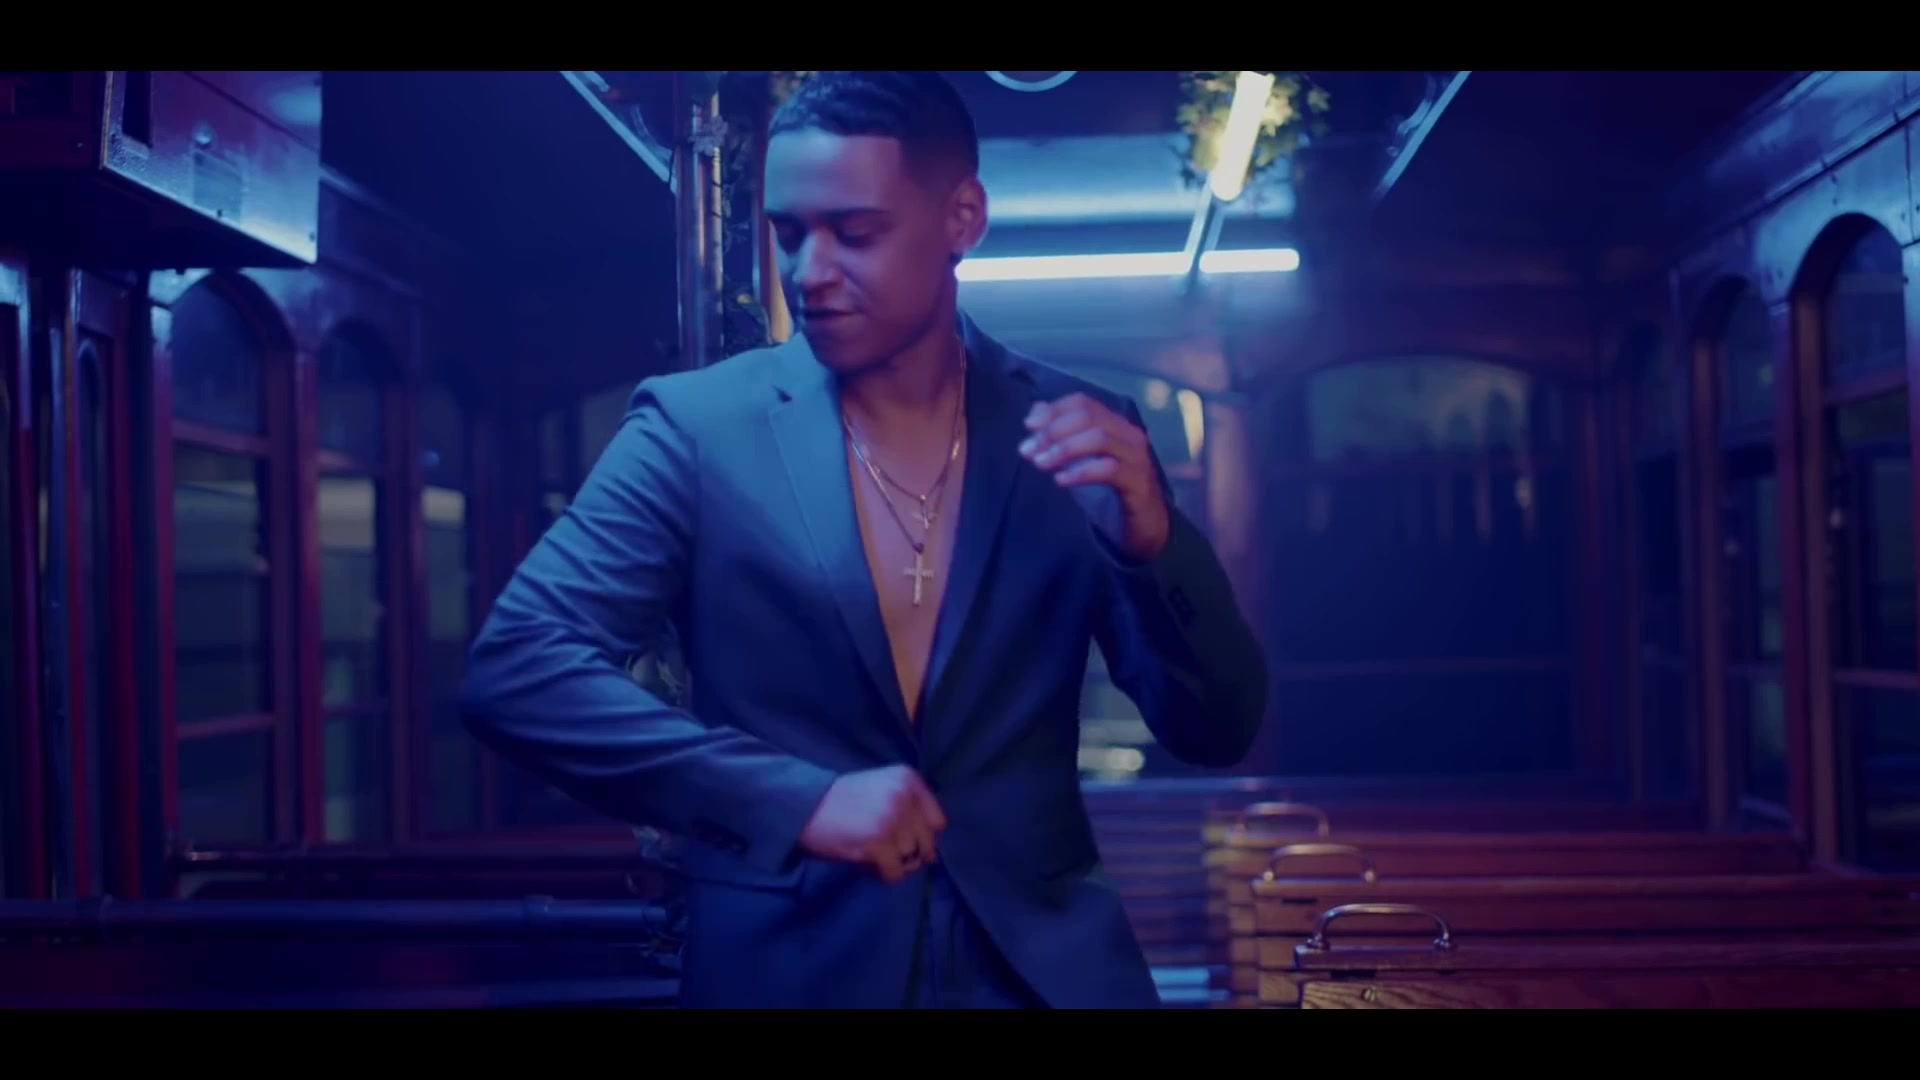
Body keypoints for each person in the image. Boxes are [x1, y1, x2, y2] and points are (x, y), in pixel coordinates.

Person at [460, 70, 1268, 1009]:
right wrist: (793, 799)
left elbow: (1219, 731)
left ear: (963, 217)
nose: (809, 272)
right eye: (789, 233)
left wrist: (1152, 546)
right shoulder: (695, 431)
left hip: (1044, 979)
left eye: (856, 232)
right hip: (788, 974)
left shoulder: (1083, 428)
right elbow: (518, 670)